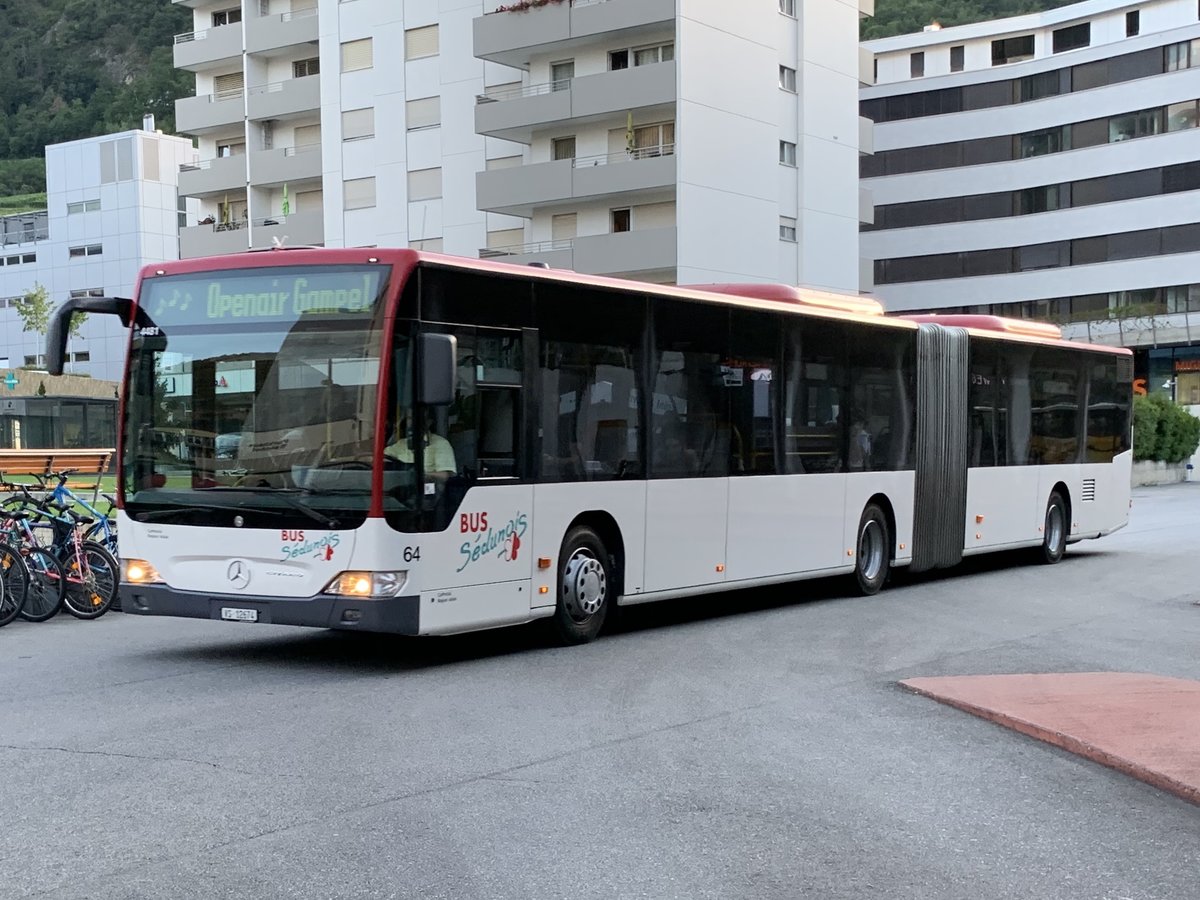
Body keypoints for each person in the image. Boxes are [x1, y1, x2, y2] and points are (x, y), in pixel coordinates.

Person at [385, 410, 457, 481]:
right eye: (410, 418)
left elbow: (445, 475)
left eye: (419, 418)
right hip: (400, 489)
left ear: (429, 422)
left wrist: (422, 475)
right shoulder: (401, 443)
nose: (414, 421)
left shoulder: (440, 443)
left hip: (426, 489)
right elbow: (381, 457)